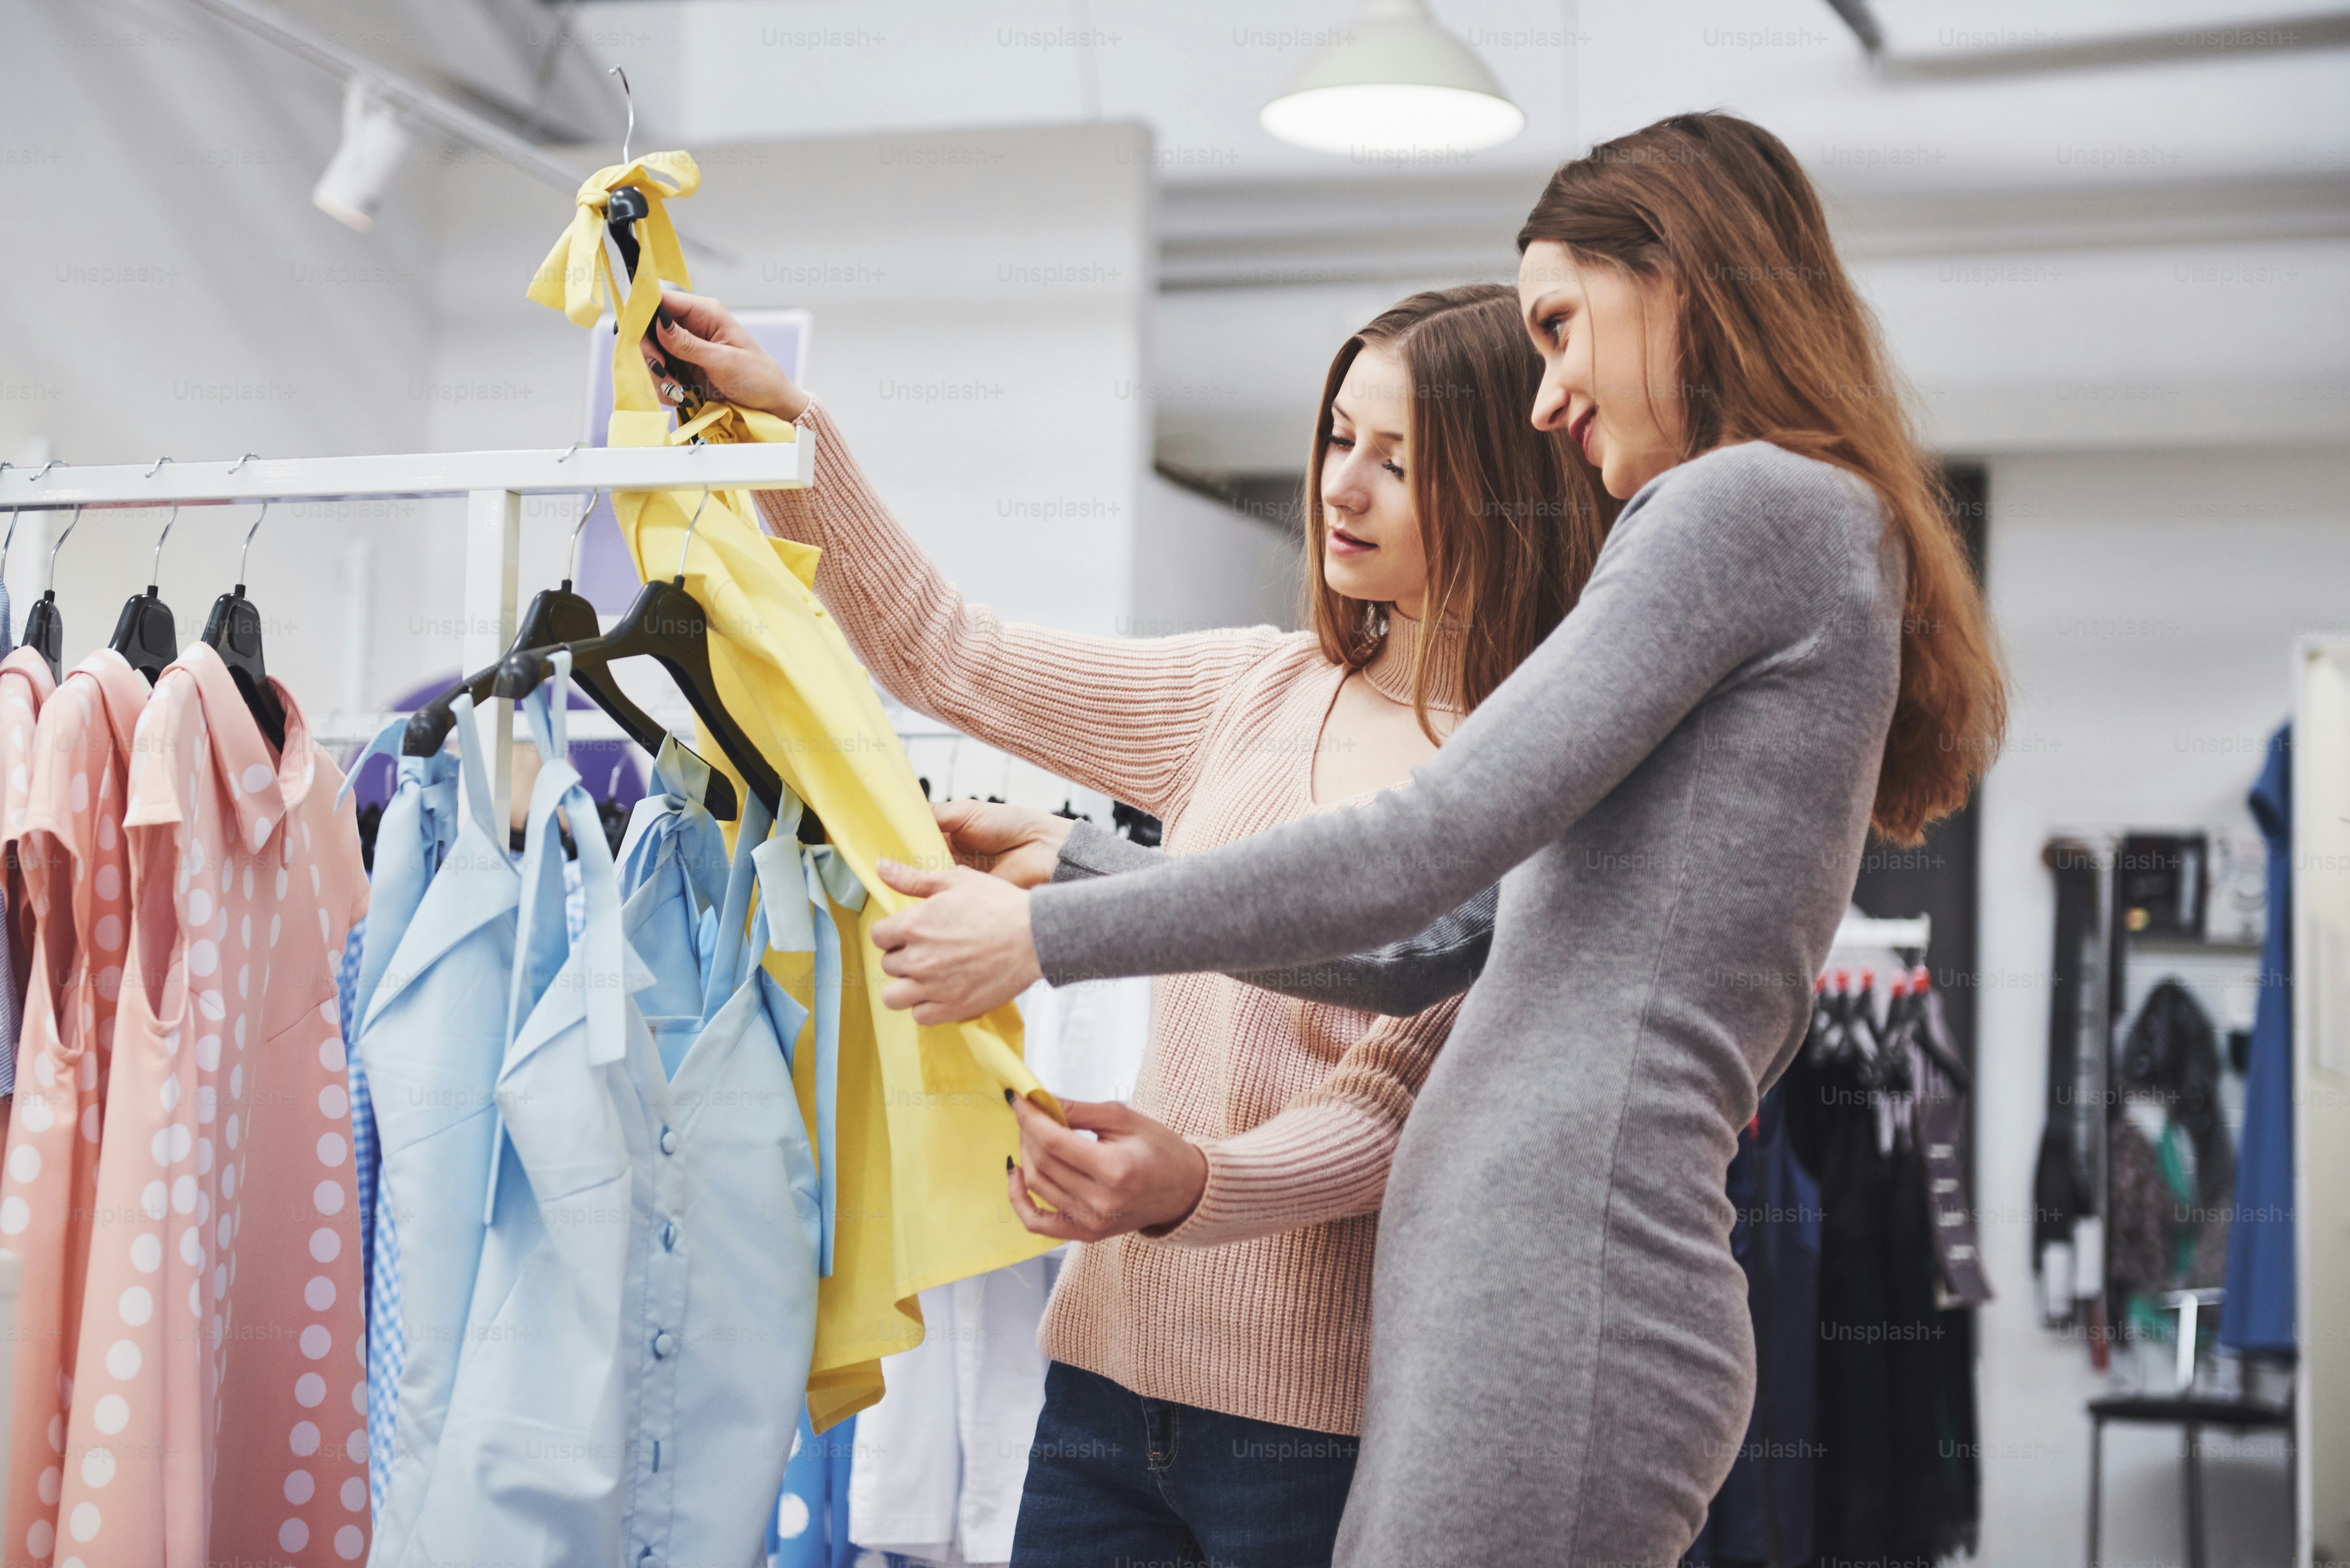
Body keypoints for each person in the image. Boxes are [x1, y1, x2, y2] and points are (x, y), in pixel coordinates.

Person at [860, 111, 2007, 1567]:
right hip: (1521, 1287)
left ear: (1680, 280)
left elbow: (1432, 840)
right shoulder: (1788, 529)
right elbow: (1430, 946)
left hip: (1561, 1284)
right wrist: (1078, 865)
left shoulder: (1744, 505)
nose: (1546, 398)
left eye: (1558, 327)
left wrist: (1042, 940)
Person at [640, 282, 1614, 1566]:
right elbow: (949, 653)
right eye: (1337, 438)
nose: (1343, 488)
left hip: (1319, 1429)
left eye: (1401, 463)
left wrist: (1194, 1182)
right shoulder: (1254, 690)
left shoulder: (1522, 772)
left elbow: (1393, 1107)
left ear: (1499, 487)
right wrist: (790, 426)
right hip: (1102, 1390)